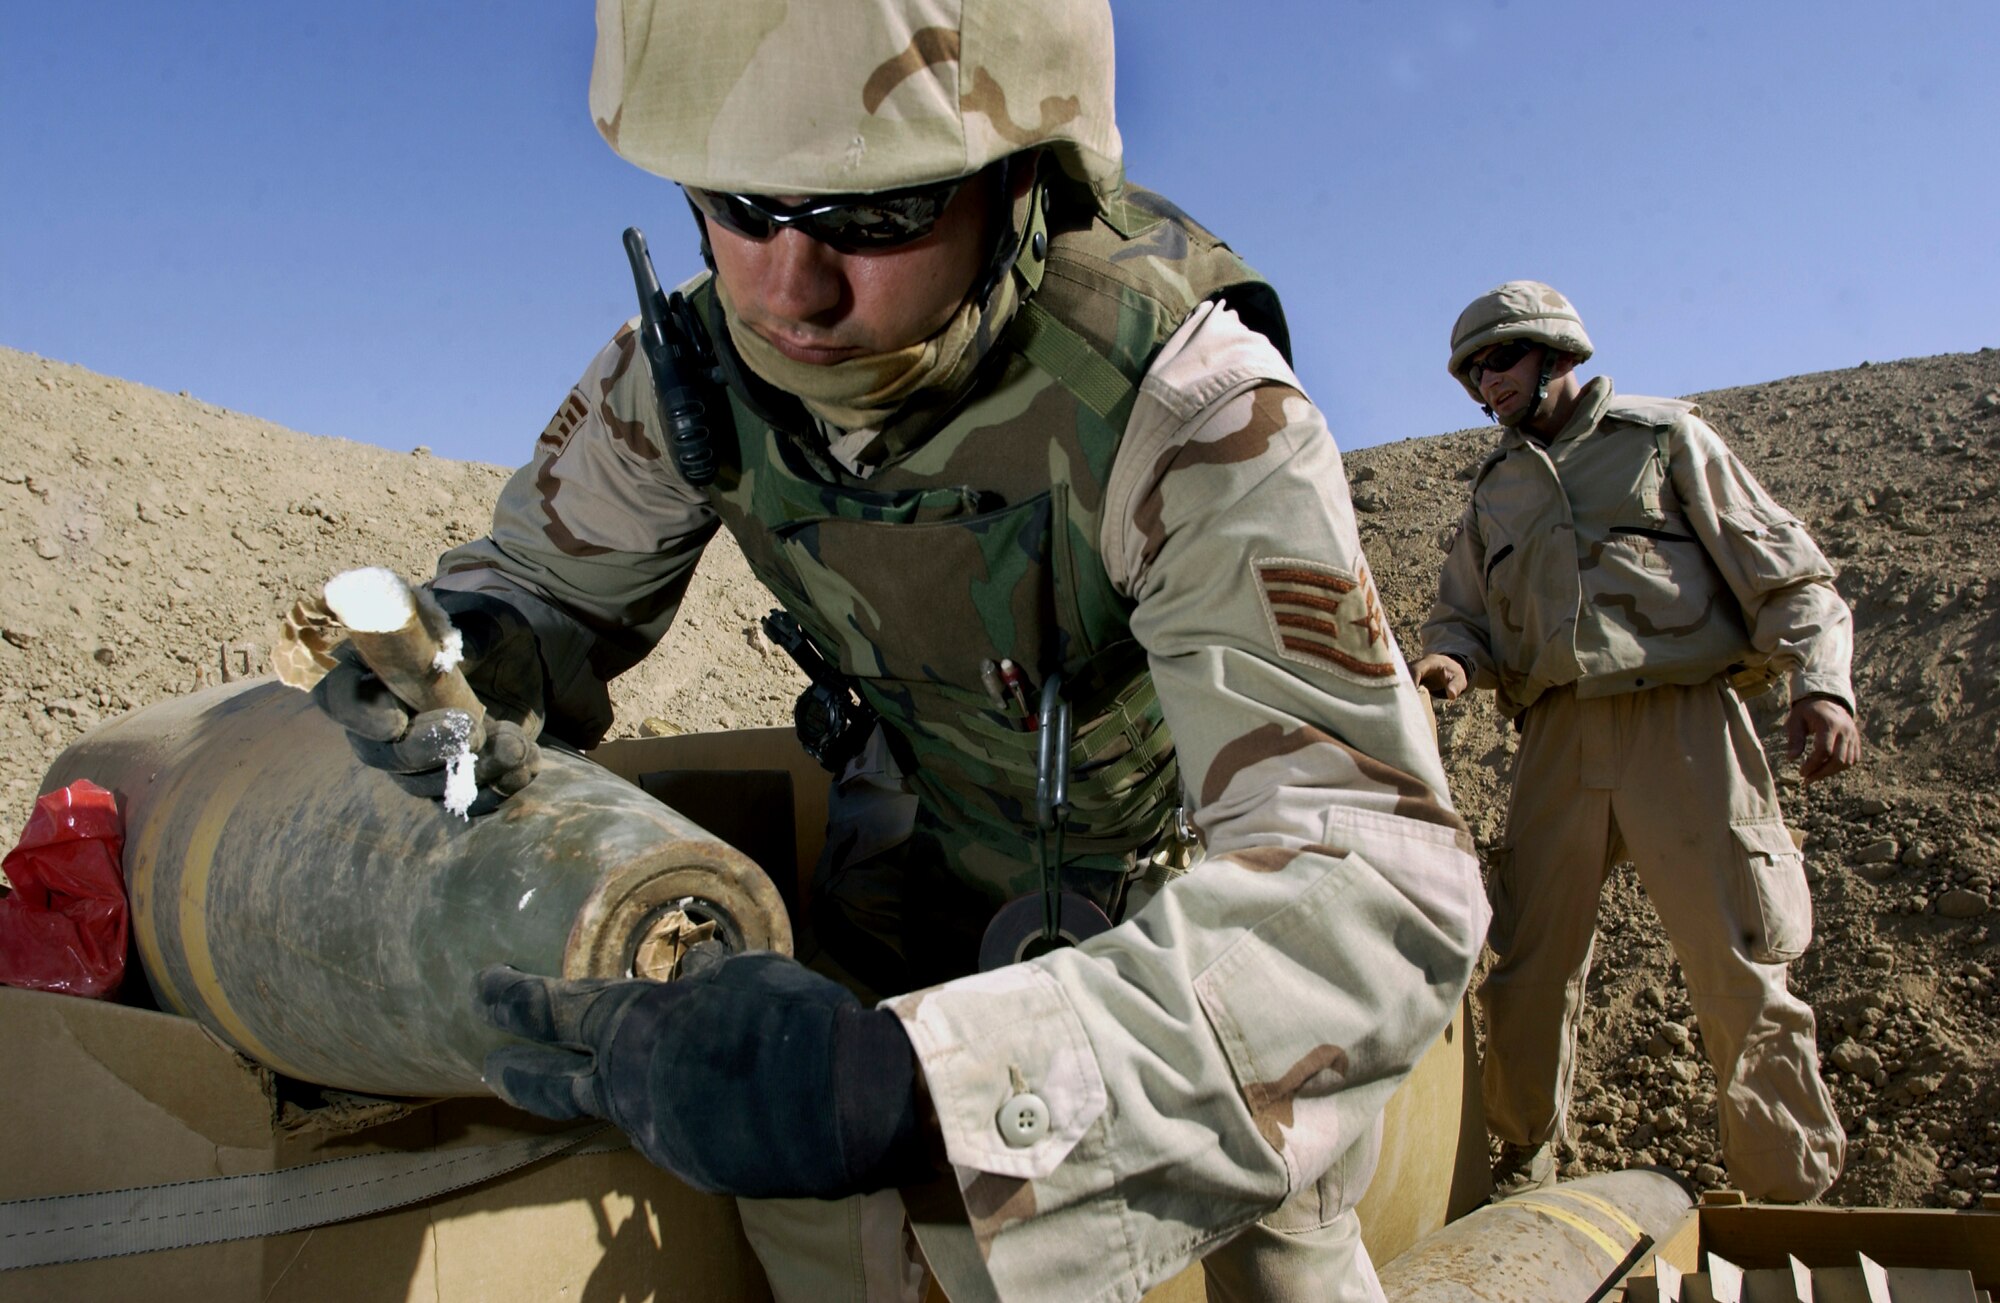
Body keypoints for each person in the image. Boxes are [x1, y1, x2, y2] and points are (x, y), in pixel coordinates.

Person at [318, 3, 1487, 1298]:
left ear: (1021, 174)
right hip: (915, 863)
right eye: (740, 202)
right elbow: (541, 582)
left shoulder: (1187, 399)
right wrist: (490, 644)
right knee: (814, 1222)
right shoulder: (691, 374)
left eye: (874, 216)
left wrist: (909, 1087)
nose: (790, 282)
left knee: (1292, 1244)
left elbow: (1379, 891)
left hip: (1188, 915)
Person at [1411, 280, 1859, 1202]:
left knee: (1740, 961)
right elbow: (1462, 617)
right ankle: (1526, 1165)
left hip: (1685, 726)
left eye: (1497, 361)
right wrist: (1452, 663)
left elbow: (1792, 579)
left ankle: (1789, 1195)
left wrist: (1823, 686)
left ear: (1555, 354)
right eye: (1469, 373)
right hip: (1557, 740)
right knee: (1529, 970)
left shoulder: (1663, 440)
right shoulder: (1494, 492)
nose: (1482, 386)